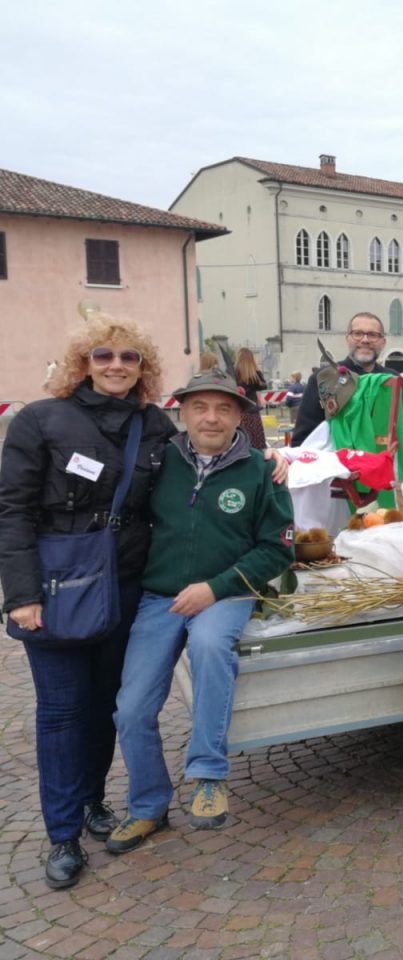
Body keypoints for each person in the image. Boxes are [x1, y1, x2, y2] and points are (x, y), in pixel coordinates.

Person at [0, 315, 175, 890]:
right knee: (61, 712)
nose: (117, 365)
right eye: (104, 355)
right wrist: (20, 595)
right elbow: (13, 510)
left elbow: (197, 467)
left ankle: (94, 801)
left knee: (105, 704)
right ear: (84, 361)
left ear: (142, 367)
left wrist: (265, 460)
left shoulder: (154, 425)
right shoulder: (40, 420)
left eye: (129, 357)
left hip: (124, 585)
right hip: (57, 588)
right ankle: (62, 834)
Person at [106, 368, 294, 853]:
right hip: (159, 596)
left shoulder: (261, 471)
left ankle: (209, 772)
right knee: (130, 708)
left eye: (224, 408)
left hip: (227, 593)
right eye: (200, 407)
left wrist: (216, 587)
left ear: (240, 416)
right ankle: (148, 806)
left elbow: (277, 550)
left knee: (212, 645)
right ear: (182, 411)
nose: (211, 418)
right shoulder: (157, 461)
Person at [292, 312, 403, 475]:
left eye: (373, 335)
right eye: (358, 333)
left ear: (383, 342)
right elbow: (305, 437)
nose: (365, 340)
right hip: (335, 479)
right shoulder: (324, 379)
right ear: (347, 338)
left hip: (385, 478)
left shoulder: (394, 381)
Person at [234, 347, 268, 450]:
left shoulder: (234, 373)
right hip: (253, 412)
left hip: (239, 412)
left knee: (239, 442)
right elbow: (262, 387)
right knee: (256, 442)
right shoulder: (256, 375)